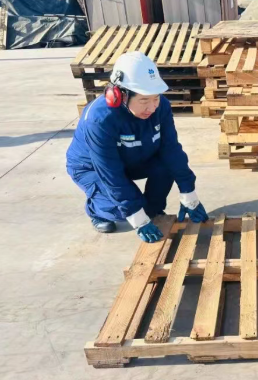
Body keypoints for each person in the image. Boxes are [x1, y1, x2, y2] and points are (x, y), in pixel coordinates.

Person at [66, 52, 208, 243]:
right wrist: (138, 219)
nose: (152, 107)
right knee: (121, 211)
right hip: (92, 168)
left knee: (161, 179)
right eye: (144, 100)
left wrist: (188, 193)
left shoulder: (161, 107)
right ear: (119, 95)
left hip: (135, 157)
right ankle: (96, 210)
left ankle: (152, 210)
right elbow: (110, 172)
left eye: (155, 98)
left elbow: (171, 150)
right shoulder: (100, 119)